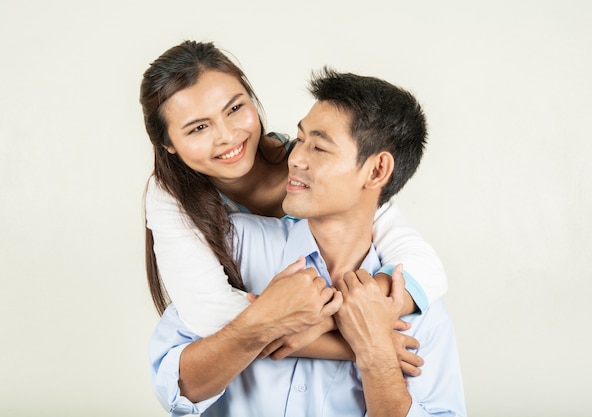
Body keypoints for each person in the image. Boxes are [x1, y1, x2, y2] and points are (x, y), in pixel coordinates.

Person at [149, 68, 466, 417]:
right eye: (300, 140)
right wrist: (268, 320)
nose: (295, 158)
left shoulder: (416, 307)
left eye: (318, 147)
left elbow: (424, 264)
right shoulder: (227, 246)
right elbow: (174, 387)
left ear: (376, 171)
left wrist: (375, 353)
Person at [140, 40, 448, 339]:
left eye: (234, 108)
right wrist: (360, 344)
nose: (227, 135)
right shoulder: (170, 196)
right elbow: (212, 316)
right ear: (167, 143)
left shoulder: (316, 168)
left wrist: (348, 312)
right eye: (198, 128)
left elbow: (425, 269)